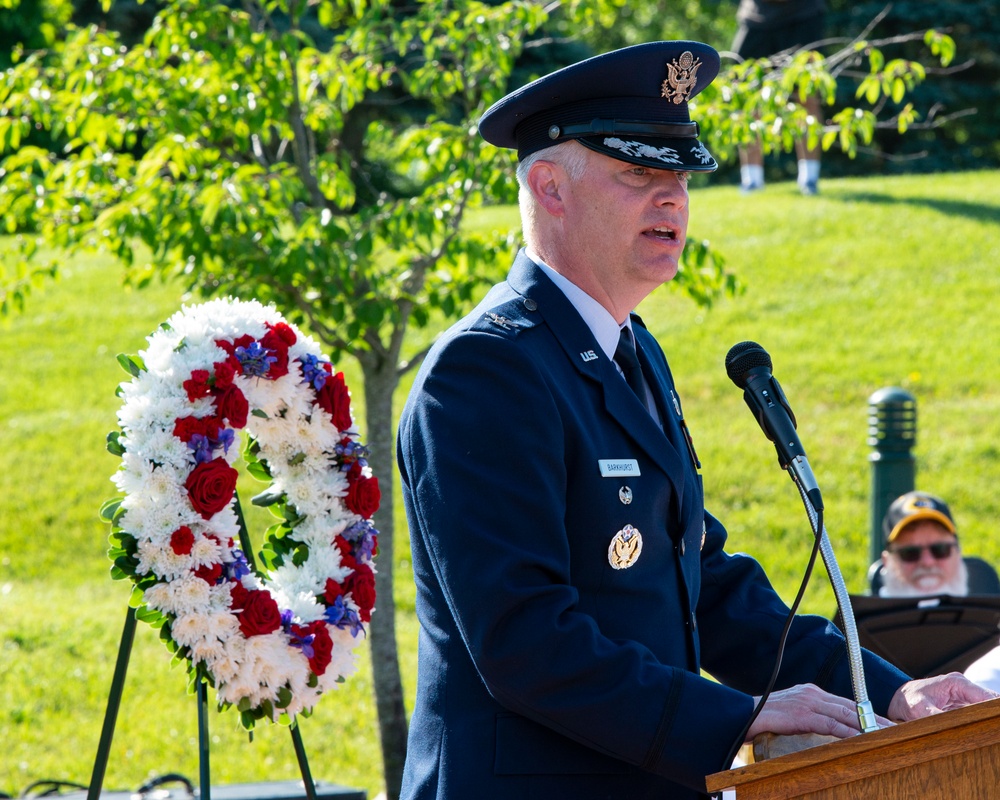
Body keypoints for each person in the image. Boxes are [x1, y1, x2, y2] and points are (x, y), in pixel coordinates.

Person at [395, 41, 996, 800]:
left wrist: (886, 692)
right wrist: (736, 716)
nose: (673, 197)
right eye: (639, 172)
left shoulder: (632, 350)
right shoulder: (486, 371)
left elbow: (701, 584)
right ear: (549, 186)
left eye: (681, 174)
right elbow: (524, 641)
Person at [878, 490, 1000, 691]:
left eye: (940, 550)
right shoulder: (853, 627)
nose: (927, 562)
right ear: (886, 561)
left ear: (958, 552)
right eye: (910, 553)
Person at [731, 0, 826, 194]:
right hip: (755, 17)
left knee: (807, 96)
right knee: (747, 98)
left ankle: (809, 180)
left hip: (802, 15)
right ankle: (751, 181)